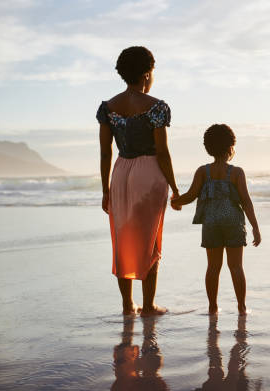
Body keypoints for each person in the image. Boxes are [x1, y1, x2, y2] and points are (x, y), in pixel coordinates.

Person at [96, 46, 179, 316]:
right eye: (152, 72)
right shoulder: (156, 107)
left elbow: (106, 152)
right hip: (149, 172)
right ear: (146, 75)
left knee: (123, 237)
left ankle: (126, 304)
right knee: (150, 239)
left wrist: (105, 190)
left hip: (121, 173)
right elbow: (163, 152)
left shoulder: (108, 108)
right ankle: (148, 305)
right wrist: (176, 187)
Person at [171, 124, 261, 315]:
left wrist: (175, 201)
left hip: (211, 222)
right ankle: (241, 307)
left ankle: (213, 306)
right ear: (231, 147)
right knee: (236, 267)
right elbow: (246, 202)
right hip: (233, 222)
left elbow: (190, 195)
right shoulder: (236, 172)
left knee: (213, 267)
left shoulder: (203, 171)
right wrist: (255, 227)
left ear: (208, 148)